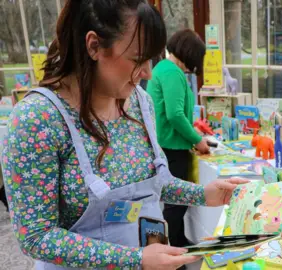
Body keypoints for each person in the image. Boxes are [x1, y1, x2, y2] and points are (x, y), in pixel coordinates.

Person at [1, 1, 248, 270]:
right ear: (94, 46)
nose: (148, 73)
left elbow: (155, 184)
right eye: (138, 59)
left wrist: (204, 194)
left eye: (152, 60)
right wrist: (135, 259)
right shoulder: (38, 120)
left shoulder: (139, 103)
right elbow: (36, 237)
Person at [147, 29, 209, 251]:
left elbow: (170, 112)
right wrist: (197, 140)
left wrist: (193, 129)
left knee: (175, 203)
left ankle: (178, 241)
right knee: (176, 204)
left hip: (167, 145)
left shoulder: (162, 68)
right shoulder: (173, 72)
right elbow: (174, 114)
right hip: (173, 148)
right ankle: (174, 249)